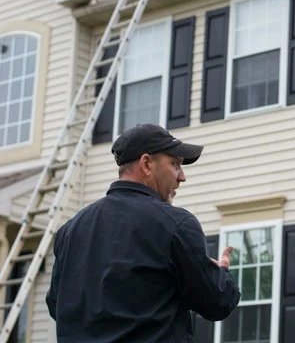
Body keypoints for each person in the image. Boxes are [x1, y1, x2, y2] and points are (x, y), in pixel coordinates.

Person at [46, 124, 240, 342]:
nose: (182, 177)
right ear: (146, 164)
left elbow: (57, 306)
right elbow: (217, 302)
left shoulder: (70, 231)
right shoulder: (175, 224)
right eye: (175, 164)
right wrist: (220, 274)